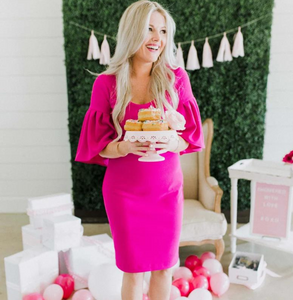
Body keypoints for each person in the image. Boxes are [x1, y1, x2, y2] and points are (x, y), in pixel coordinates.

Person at [75, 1, 205, 299]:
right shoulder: (107, 84)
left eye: (162, 31)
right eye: (149, 29)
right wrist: (125, 146)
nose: (157, 38)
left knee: (164, 269)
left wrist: (174, 142)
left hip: (167, 191)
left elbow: (189, 137)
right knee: (132, 271)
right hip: (125, 193)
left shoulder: (176, 79)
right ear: (132, 32)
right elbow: (99, 145)